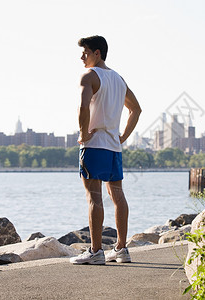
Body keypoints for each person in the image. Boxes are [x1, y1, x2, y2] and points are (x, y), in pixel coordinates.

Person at [70, 35, 141, 265]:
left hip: (94, 144)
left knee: (94, 197)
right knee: (117, 195)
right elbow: (136, 110)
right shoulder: (119, 79)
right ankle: (121, 248)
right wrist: (122, 137)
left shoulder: (89, 76)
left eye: (86, 52)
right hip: (113, 148)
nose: (82, 57)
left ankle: (96, 251)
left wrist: (82, 133)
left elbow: (83, 106)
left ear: (97, 53)